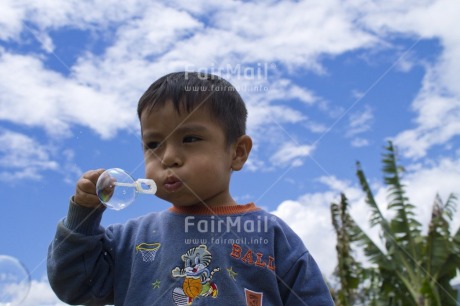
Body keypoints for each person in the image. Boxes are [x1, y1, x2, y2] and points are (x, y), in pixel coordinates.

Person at [47, 72, 335, 305]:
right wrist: (83, 216)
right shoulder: (130, 240)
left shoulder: (270, 234)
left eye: (190, 138)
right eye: (153, 144)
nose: (168, 157)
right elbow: (74, 285)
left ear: (237, 152)